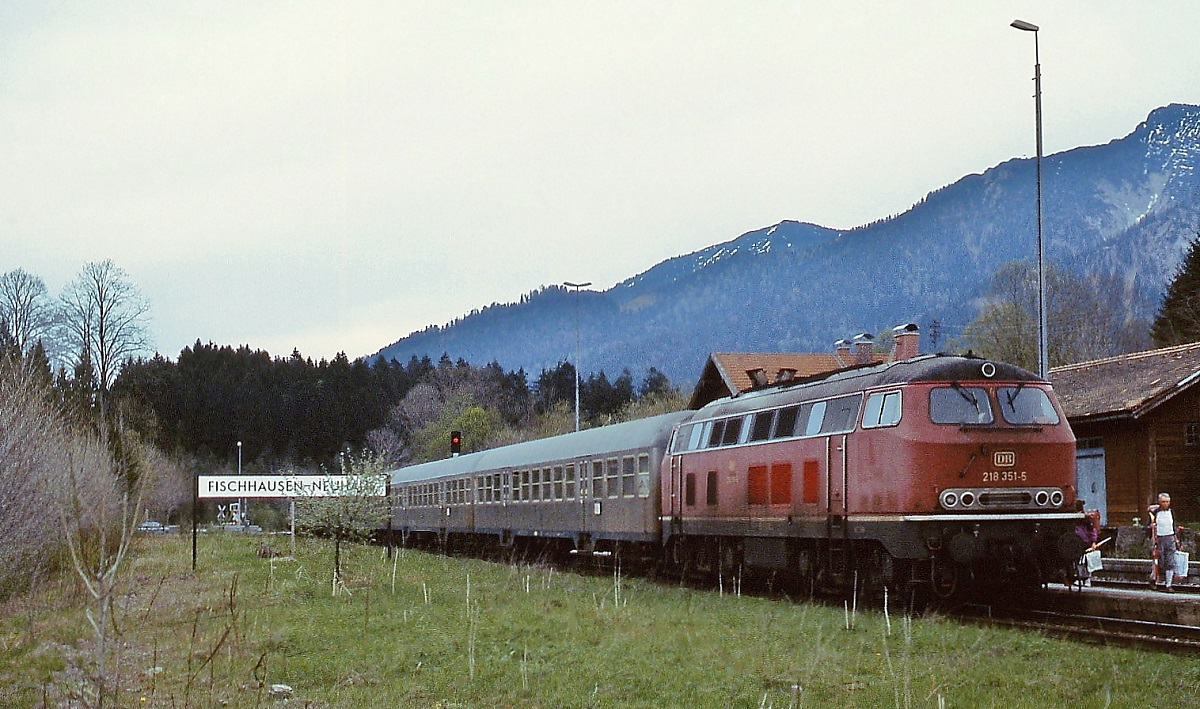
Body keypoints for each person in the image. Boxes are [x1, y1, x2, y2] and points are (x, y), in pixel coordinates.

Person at [1148, 493, 1182, 592]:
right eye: (1163, 502)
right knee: (1157, 560)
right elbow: (1148, 524)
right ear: (1159, 502)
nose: (1166, 504)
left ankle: (1169, 585)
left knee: (1170, 561)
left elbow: (1173, 525)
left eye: (1167, 502)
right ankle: (1153, 579)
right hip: (1158, 538)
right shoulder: (1155, 512)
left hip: (1170, 538)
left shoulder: (1171, 512)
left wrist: (1176, 540)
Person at [1073, 509, 1101, 586]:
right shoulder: (1078, 527)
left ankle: (1087, 579)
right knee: (1080, 563)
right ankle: (1081, 578)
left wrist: (1093, 542)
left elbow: (1093, 535)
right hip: (1079, 545)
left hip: (1087, 545)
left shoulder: (1089, 527)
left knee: (1088, 563)